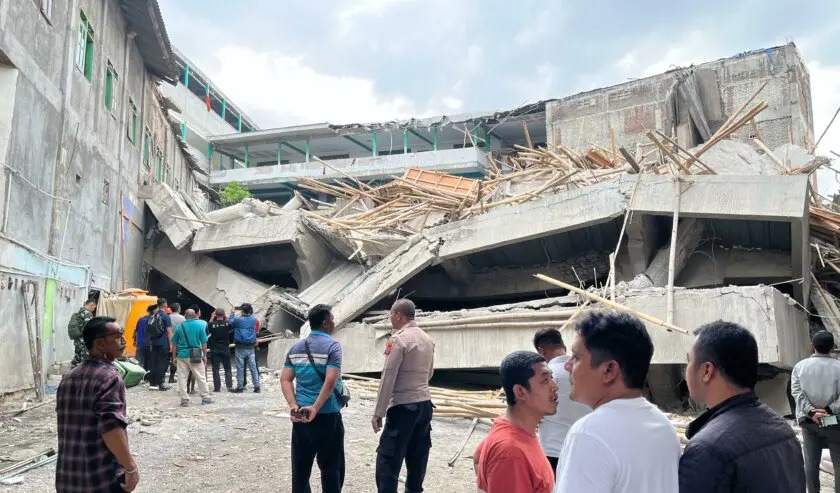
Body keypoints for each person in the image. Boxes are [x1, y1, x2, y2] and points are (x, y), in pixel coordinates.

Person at [554, 311, 679, 493]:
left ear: (609, 370)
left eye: (577, 357)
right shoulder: (664, 427)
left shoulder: (589, 434)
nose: (567, 365)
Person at [679, 321, 804, 492]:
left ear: (706, 371)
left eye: (689, 361)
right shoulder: (783, 430)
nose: (687, 370)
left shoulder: (706, 450)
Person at [56, 316, 139, 492]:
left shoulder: (69, 377)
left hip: (68, 478)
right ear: (100, 344)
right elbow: (111, 429)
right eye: (117, 336)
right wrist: (130, 468)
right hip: (100, 479)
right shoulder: (110, 378)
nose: (123, 340)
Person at [372, 299, 436, 493]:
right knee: (417, 458)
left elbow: (388, 377)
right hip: (424, 405)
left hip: (403, 407)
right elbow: (430, 373)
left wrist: (378, 412)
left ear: (398, 315)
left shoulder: (399, 340)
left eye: (391, 315)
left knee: (388, 460)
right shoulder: (427, 339)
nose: (390, 319)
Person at [281, 304, 346, 493]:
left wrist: (294, 405)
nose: (334, 323)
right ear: (326, 323)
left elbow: (285, 379)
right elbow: (330, 381)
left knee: (300, 469)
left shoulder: (295, 348)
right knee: (331, 467)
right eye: (332, 319)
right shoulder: (333, 346)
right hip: (327, 415)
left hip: (301, 416)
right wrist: (316, 407)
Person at [474, 351, 558, 493]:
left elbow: (478, 457)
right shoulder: (510, 452)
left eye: (552, 377)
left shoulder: (509, 428)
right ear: (520, 392)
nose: (554, 386)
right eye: (545, 380)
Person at [532, 329, 590, 475]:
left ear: (541, 351)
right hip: (585, 450)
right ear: (563, 347)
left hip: (553, 450)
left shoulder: (543, 376)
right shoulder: (587, 373)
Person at [792, 330, 840, 492]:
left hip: (809, 423)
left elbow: (796, 393)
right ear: (832, 347)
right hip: (835, 423)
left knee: (811, 465)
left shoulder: (799, 367)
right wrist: (828, 410)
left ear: (812, 346)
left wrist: (812, 412)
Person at [170, 309, 212, 407]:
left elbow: (174, 344)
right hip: (196, 353)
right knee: (200, 376)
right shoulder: (200, 326)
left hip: (182, 355)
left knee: (182, 377)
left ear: (185, 316)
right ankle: (205, 397)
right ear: (195, 316)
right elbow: (204, 343)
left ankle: (184, 399)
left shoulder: (179, 327)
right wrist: (205, 355)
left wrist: (174, 357)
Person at [230, 303, 260, 393]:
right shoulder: (254, 319)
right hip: (251, 347)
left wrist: (232, 313)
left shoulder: (238, 320)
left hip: (240, 347)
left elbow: (230, 322)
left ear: (242, 310)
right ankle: (257, 386)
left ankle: (240, 387)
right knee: (253, 367)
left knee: (240, 367)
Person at [146, 298, 173, 391]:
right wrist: (171, 345)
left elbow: (149, 331)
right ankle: (160, 383)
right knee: (162, 363)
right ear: (165, 305)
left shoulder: (152, 316)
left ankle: (152, 383)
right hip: (163, 343)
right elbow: (169, 332)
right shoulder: (165, 316)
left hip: (154, 343)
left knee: (153, 362)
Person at [207, 308, 233, 392]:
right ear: (224, 315)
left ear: (215, 315)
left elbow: (206, 330)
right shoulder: (227, 324)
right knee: (228, 368)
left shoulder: (212, 324)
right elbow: (230, 325)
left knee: (216, 369)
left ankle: (217, 388)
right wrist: (226, 317)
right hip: (225, 349)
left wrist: (211, 317)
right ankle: (229, 386)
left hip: (215, 350)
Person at [68, 299, 96, 368]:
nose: (94, 309)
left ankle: (72, 373)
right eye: (94, 307)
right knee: (85, 361)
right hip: (84, 342)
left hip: (77, 341)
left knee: (77, 358)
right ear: (91, 305)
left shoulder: (79, 312)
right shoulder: (88, 314)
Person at [168, 303, 186, 385]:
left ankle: (167, 378)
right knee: (177, 359)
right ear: (178, 309)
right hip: (179, 342)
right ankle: (174, 377)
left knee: (168, 359)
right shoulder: (182, 318)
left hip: (167, 341)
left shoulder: (167, 317)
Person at [133, 305, 155, 370]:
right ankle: (146, 377)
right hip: (149, 345)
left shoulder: (141, 319)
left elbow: (136, 332)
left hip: (140, 344)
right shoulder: (154, 321)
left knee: (138, 363)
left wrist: (136, 342)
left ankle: (138, 377)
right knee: (148, 363)